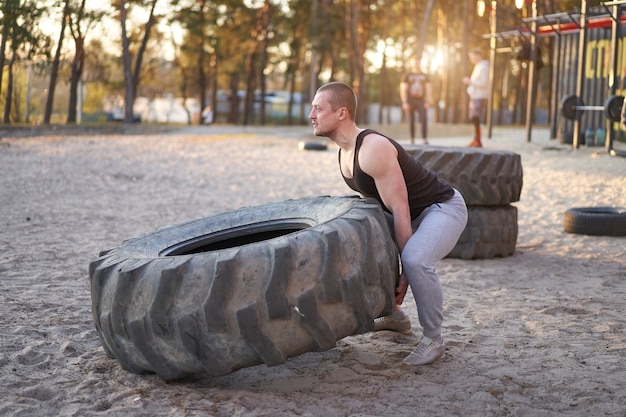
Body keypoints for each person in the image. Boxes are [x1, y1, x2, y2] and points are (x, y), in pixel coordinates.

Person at [309, 82, 468, 366]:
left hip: (441, 209)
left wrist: (404, 276)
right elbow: (375, 210)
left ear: (342, 112)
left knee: (416, 259)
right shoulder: (345, 155)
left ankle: (434, 340)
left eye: (318, 108)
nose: (311, 115)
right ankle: (395, 316)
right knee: (355, 228)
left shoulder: (372, 148)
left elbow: (400, 207)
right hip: (410, 215)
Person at [463, 48, 489, 147]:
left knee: (475, 117)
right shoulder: (478, 67)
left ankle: (478, 140)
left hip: (479, 96)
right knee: (474, 118)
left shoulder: (483, 67)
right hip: (475, 96)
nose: (471, 58)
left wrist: (470, 81)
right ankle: (476, 139)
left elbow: (484, 83)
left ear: (479, 55)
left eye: (473, 56)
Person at [400, 71, 431, 145]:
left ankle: (424, 138)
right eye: (415, 60)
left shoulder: (424, 76)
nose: (417, 62)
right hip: (411, 100)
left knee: (423, 118)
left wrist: (428, 101)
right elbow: (403, 89)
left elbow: (428, 89)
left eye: (418, 60)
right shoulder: (407, 75)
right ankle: (412, 138)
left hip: (421, 100)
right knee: (411, 119)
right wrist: (404, 102)